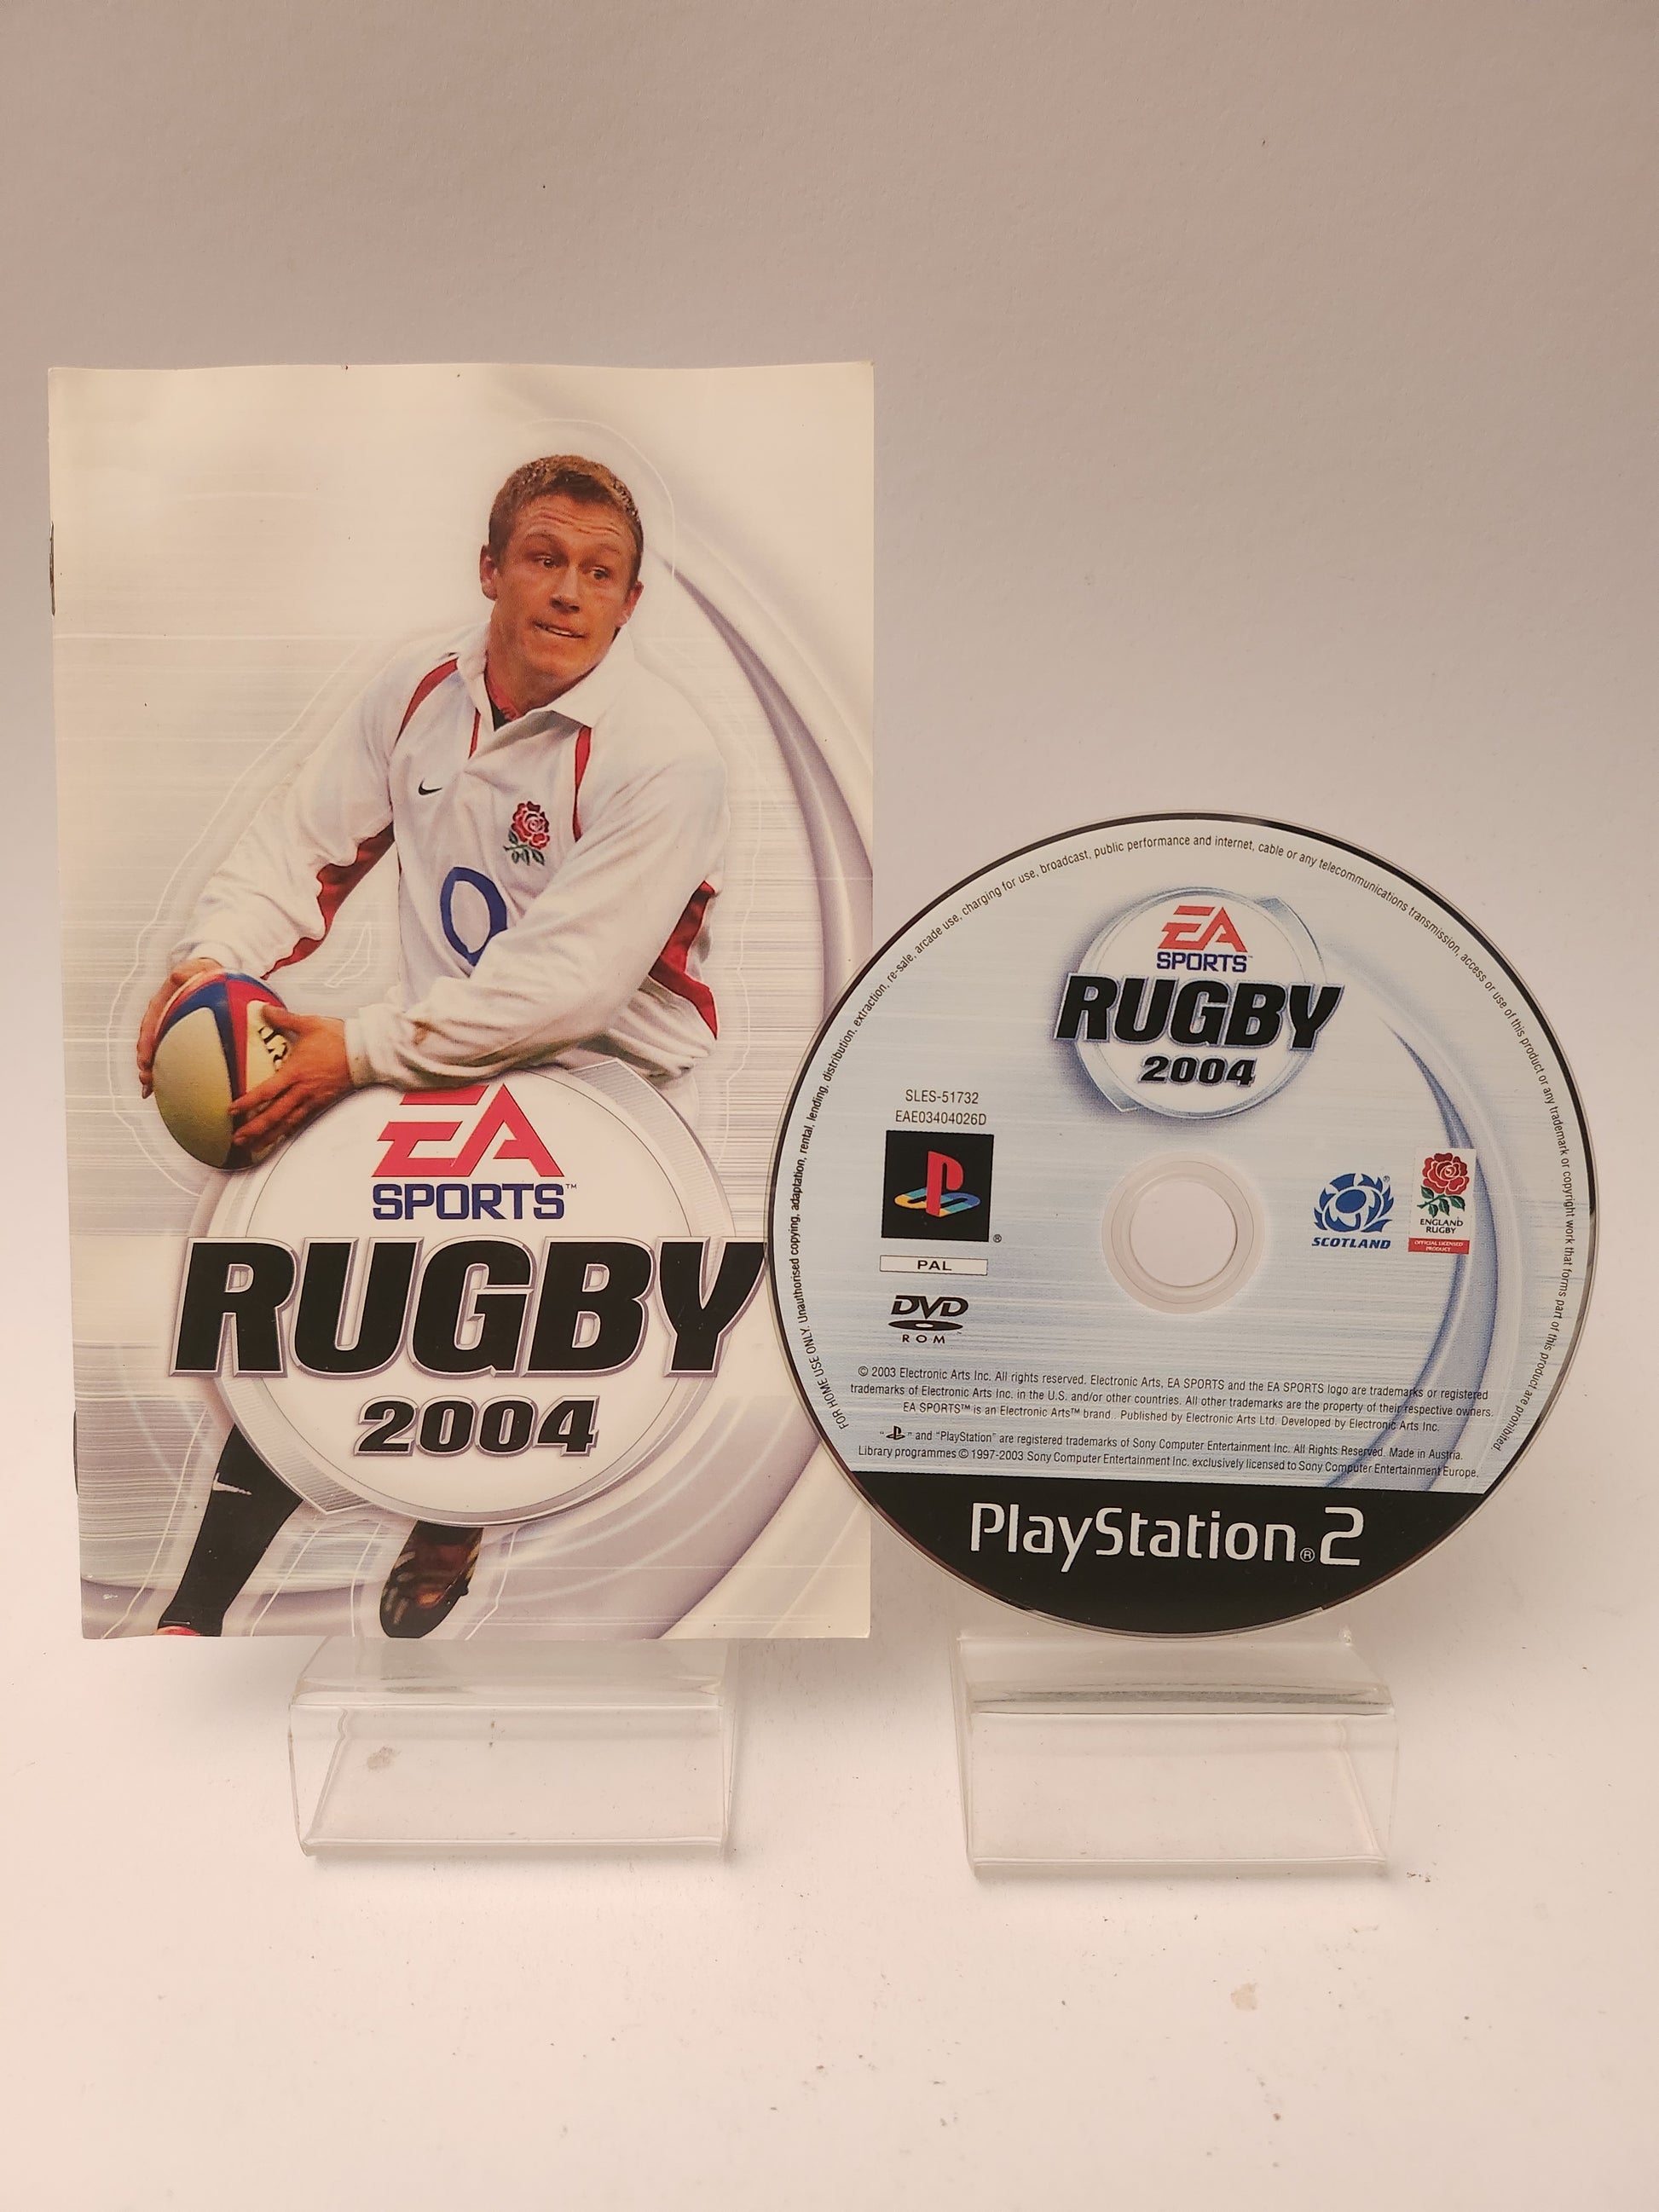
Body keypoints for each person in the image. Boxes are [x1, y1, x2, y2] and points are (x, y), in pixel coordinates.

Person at [136, 454, 728, 1637]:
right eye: (545, 559)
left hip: (613, 1084)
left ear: (630, 602)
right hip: (439, 1049)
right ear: (491, 570)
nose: (568, 592)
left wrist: (354, 1052)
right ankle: (194, 1616)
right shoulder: (418, 696)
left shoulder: (666, 751)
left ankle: (453, 1515)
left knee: (487, 1307)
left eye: (598, 572)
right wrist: (212, 962)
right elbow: (301, 848)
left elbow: (568, 986)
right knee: (319, 1290)